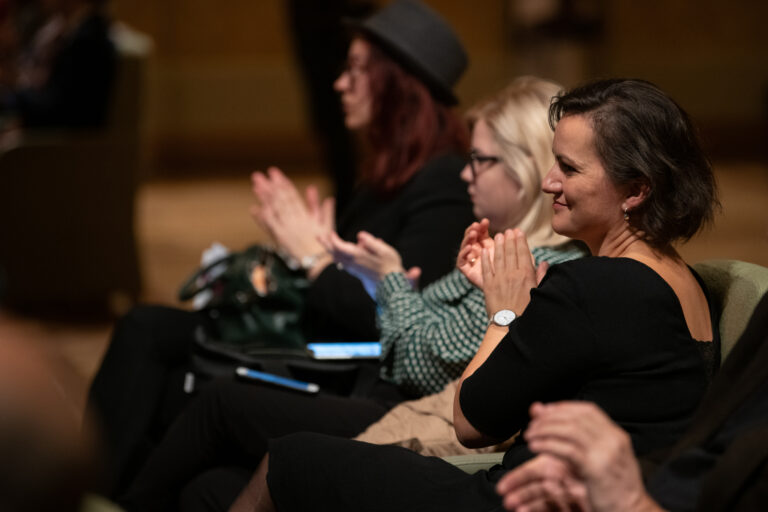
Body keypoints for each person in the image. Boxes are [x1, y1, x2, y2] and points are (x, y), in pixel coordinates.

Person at [227, 77, 720, 512]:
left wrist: (503, 312)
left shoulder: (592, 285)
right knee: (229, 480)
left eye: (568, 169)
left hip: (511, 499)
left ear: (636, 190)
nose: (549, 182)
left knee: (287, 458)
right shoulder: (683, 280)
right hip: (550, 490)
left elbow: (471, 421)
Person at [114, 76, 587, 512]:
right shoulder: (501, 244)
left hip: (413, 419)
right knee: (208, 466)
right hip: (389, 393)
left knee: (218, 405)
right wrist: (371, 275)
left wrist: (385, 278)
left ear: (524, 170)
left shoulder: (537, 265)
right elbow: (421, 327)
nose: (467, 174)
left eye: (479, 160)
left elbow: (422, 364)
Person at [88, 0, 474, 500]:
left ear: (399, 86)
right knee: (151, 342)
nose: (340, 83)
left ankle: (96, 492)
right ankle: (97, 486)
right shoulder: (386, 174)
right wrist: (316, 253)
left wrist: (314, 258)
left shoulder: (443, 183)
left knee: (153, 339)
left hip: (349, 363)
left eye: (357, 70)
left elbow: (395, 315)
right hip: (321, 337)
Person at [495, 290, 768, 512]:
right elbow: (697, 454)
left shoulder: (595, 284)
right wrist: (593, 484)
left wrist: (502, 314)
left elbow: (479, 421)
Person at [0, 0, 116, 129]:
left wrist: (11, 92)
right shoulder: (66, 28)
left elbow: (61, 110)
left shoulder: (89, 40)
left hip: (61, 137)